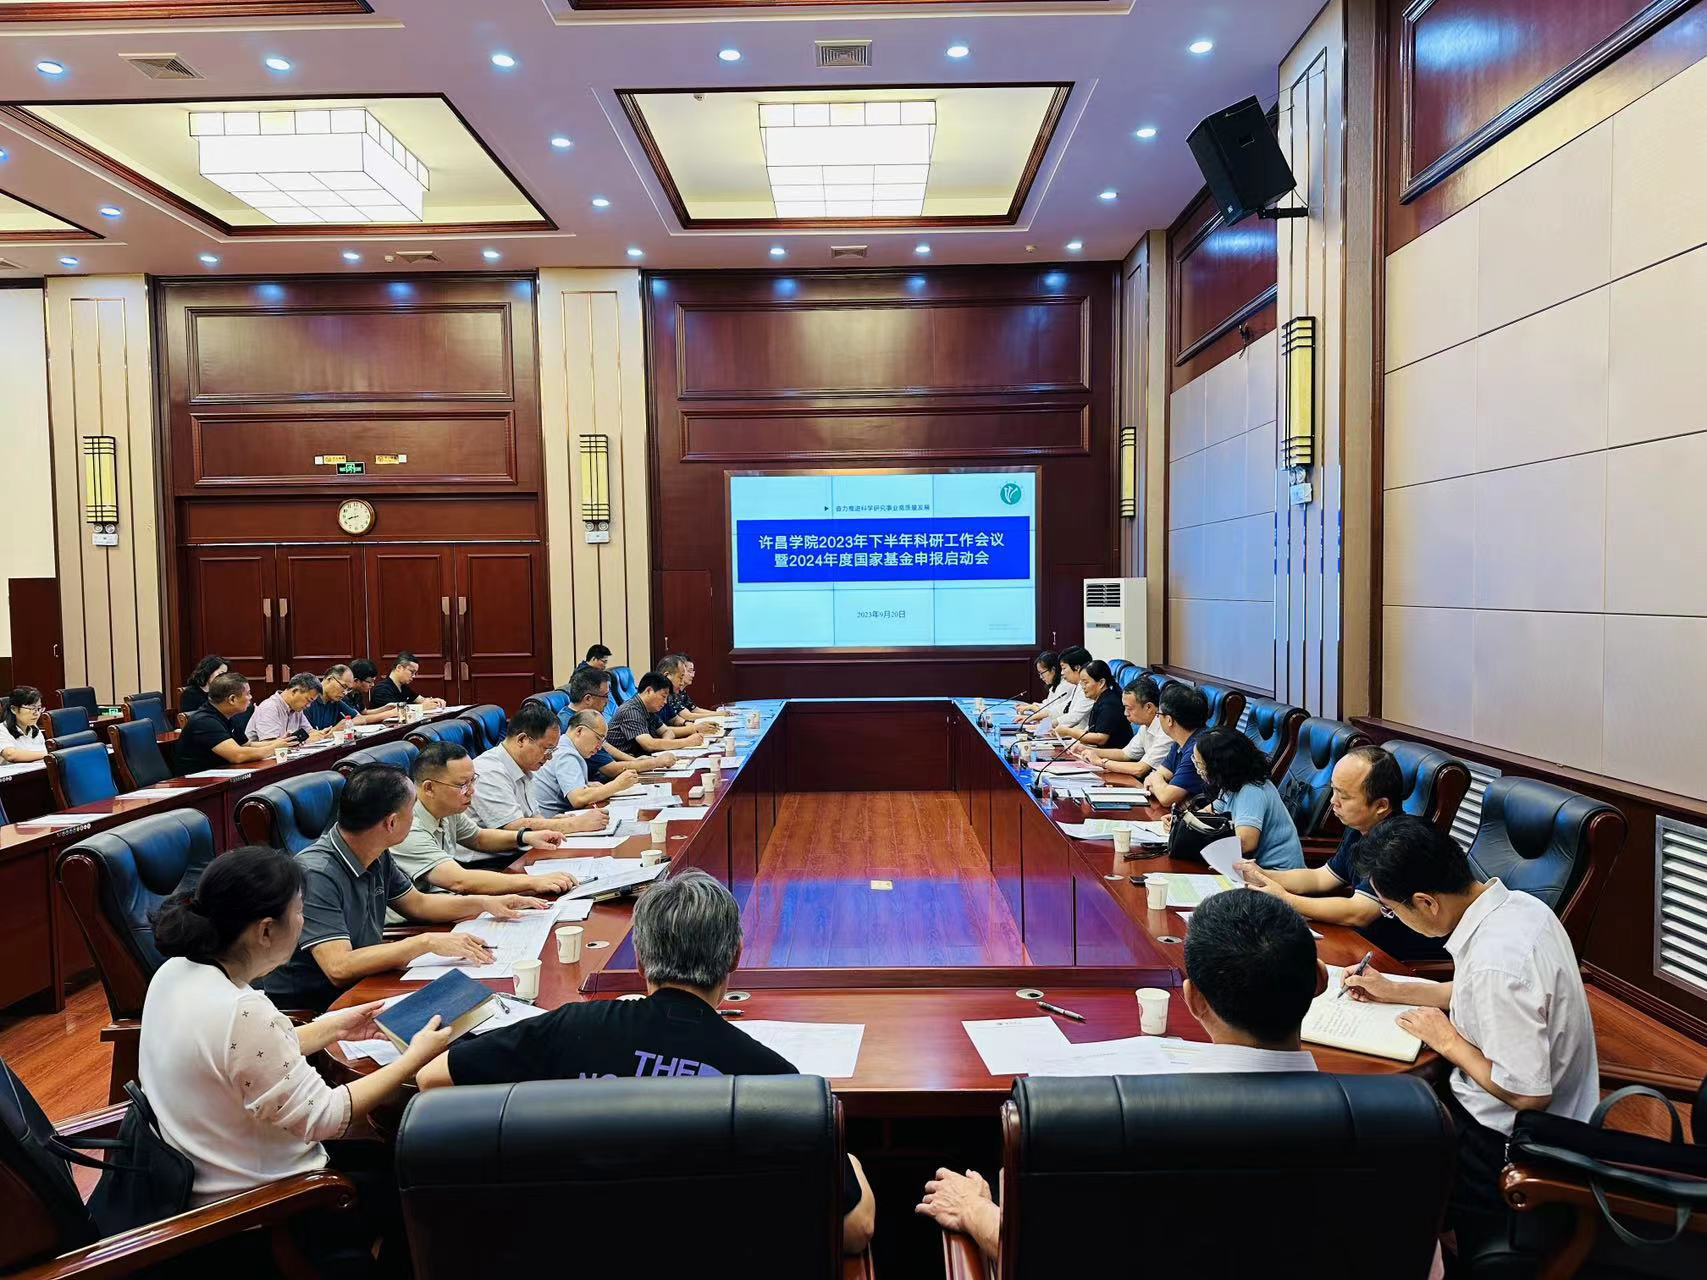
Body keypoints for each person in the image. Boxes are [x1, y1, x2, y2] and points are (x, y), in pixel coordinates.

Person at [416, 868, 877, 1254]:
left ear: (639, 959)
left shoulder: (567, 1029)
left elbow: (432, 1081)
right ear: (735, 957)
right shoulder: (771, 1080)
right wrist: (848, 1157)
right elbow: (855, 1231)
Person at [918, 890, 1324, 1260]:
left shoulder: (1132, 1122)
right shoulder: (1361, 1115)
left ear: (1194, 1000)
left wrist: (973, 1209)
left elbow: (1050, 1256)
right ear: (1319, 980)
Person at [141, 845, 453, 1274]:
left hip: (201, 1176)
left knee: (399, 1157)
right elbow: (325, 1117)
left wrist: (334, 1026)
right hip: (267, 1208)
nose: (304, 923)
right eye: (300, 911)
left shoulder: (175, 972)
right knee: (423, 1184)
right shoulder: (243, 1012)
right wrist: (413, 1059)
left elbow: (239, 1058)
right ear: (266, 931)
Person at [1345, 816, 1598, 1262]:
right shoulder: (1518, 907)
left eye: (1391, 910)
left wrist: (1447, 1041)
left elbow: (1528, 1094)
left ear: (1425, 903)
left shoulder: (1496, 963)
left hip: (1513, 1144)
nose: (1393, 919)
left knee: (1381, 1150)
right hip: (1532, 1114)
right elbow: (1470, 993)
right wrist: (1393, 988)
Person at [263, 764, 549, 1012]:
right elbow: (338, 967)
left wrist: (485, 902)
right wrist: (425, 943)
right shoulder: (316, 873)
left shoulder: (375, 851)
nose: (415, 816)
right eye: (412, 809)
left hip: (368, 980)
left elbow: (418, 904)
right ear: (391, 822)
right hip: (321, 1002)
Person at [1237, 745, 1446, 962]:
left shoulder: (1399, 842)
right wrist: (1261, 874)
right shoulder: (1360, 828)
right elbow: (1320, 878)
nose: (1332, 801)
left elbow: (1360, 912)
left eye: (1343, 796)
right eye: (1334, 789)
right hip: (1359, 942)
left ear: (1381, 806)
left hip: (1394, 958)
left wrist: (1286, 899)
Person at [390, 742, 579, 912]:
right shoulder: (409, 828)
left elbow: (478, 838)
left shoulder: (447, 808)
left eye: (472, 780)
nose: (471, 791)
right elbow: (459, 881)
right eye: (463, 785)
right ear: (429, 788)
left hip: (448, 901)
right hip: (417, 919)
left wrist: (525, 837)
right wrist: (534, 881)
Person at [468, 702, 608, 834]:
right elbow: (513, 827)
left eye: (553, 751)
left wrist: (554, 822)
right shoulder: (489, 771)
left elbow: (533, 817)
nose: (549, 757)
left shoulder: (524, 767)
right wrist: (573, 824)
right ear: (522, 740)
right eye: (547, 749)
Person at [1193, 727, 1304, 870]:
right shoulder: (1233, 784)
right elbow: (1209, 813)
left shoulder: (1251, 791)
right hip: (1254, 870)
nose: (1199, 770)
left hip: (1277, 874)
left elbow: (1245, 843)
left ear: (1219, 766)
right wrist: (1183, 821)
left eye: (1200, 764)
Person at [566, 667, 681, 779]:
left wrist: (635, 761)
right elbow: (611, 769)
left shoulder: (580, 717)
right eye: (605, 696)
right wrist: (656, 762)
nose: (608, 701)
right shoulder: (577, 725)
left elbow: (605, 745)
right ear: (588, 699)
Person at [176, 672, 295, 775]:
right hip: (197, 782)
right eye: (248, 693)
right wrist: (274, 748)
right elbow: (238, 755)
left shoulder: (228, 716)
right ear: (232, 699)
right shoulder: (204, 721)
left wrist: (281, 742)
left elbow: (247, 745)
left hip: (220, 774)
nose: (250, 697)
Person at [531, 710, 641, 816]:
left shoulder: (565, 745)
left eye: (602, 742)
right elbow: (578, 799)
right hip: (554, 821)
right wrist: (617, 785)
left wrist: (586, 785)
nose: (599, 747)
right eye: (598, 738)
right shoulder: (566, 754)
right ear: (579, 731)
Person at [1072, 677, 1169, 779]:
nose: (1125, 713)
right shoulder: (1145, 725)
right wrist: (1088, 750)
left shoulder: (1166, 730)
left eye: (1129, 708)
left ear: (1148, 707)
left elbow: (1140, 769)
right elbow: (1125, 754)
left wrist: (1100, 762)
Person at [608, 671, 711, 754]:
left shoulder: (649, 709)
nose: (665, 702)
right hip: (622, 766)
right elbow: (649, 744)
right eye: (663, 696)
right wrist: (687, 742)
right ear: (649, 691)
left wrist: (665, 746)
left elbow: (667, 731)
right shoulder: (631, 710)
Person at [1146, 681, 1210, 807]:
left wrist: (1154, 778)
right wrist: (1157, 780)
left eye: (1159, 714)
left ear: (1169, 720)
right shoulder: (1180, 741)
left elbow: (1166, 798)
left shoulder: (1199, 748)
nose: (1157, 718)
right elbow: (1158, 776)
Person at [1053, 660, 1131, 750]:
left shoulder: (1110, 703)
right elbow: (1091, 731)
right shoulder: (1100, 699)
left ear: (1101, 683)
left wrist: (1068, 731)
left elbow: (1100, 738)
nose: (1082, 687)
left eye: (1086, 682)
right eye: (1081, 683)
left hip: (1114, 755)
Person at [304, 664, 402, 733]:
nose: (345, 692)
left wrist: (347, 723)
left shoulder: (336, 701)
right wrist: (334, 730)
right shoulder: (307, 701)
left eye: (348, 689)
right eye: (343, 687)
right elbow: (310, 736)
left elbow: (361, 719)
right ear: (330, 679)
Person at [245, 672, 336, 745]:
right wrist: (305, 740)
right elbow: (269, 745)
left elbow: (309, 732)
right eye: (308, 700)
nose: (308, 706)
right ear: (294, 691)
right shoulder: (269, 707)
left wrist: (322, 734)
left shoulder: (296, 709)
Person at [1022, 645, 1092, 730]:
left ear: (1077, 668)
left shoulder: (1088, 688)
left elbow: (1074, 717)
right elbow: (1062, 709)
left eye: (1064, 668)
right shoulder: (1078, 686)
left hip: (1076, 734)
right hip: (1069, 732)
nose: (1061, 673)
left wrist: (1044, 726)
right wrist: (1033, 717)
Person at [656, 654, 721, 726]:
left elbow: (675, 719)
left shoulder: (675, 693)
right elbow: (687, 716)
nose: (693, 675)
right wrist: (694, 728)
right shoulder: (658, 698)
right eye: (681, 676)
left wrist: (694, 726)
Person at [368, 652, 445, 712]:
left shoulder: (403, 687)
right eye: (412, 672)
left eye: (415, 673)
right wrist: (421, 707)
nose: (414, 676)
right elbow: (393, 712)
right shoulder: (382, 689)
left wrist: (434, 701)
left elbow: (421, 700)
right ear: (399, 668)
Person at [1012, 650, 1069, 722]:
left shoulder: (1065, 686)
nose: (1041, 677)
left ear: (1053, 670)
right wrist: (1029, 707)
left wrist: (1032, 708)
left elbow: (1053, 712)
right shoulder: (1056, 685)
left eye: (1042, 673)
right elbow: (1047, 705)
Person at [0, 685, 49, 762]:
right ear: (14, 709)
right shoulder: (2, 729)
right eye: (31, 708)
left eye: (39, 708)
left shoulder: (34, 728)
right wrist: (48, 754)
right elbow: (10, 754)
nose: (36, 713)